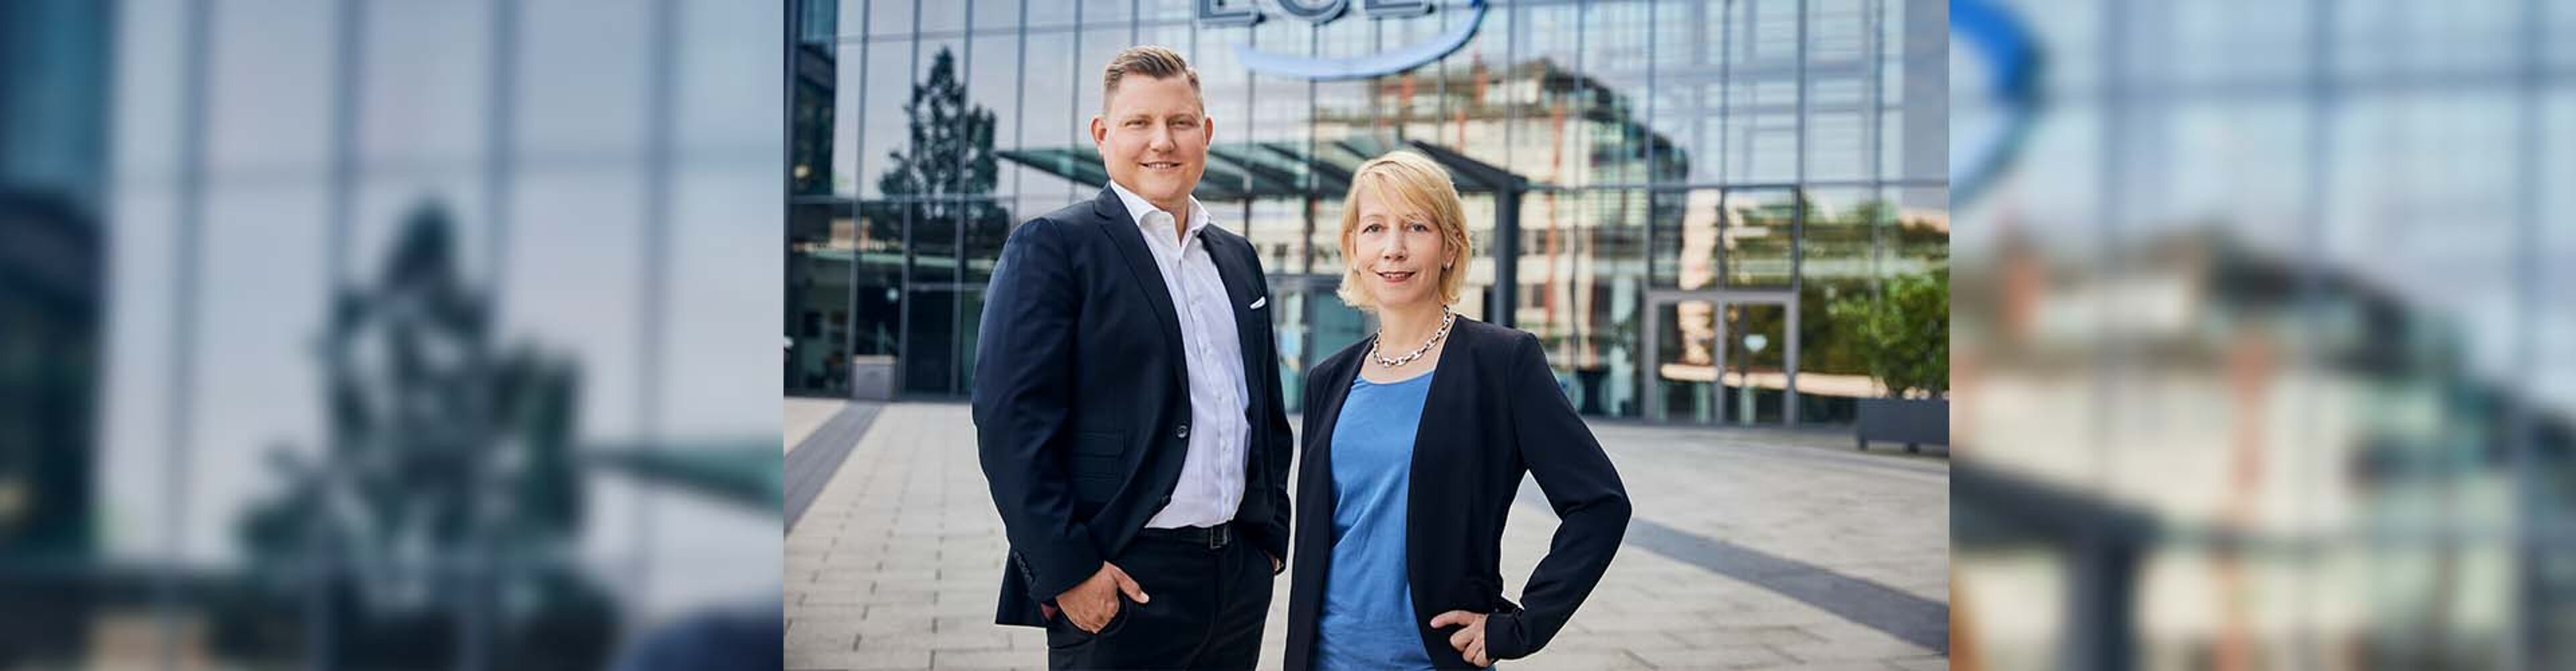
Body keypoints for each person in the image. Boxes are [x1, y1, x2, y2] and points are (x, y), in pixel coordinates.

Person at [971, 45, 1292, 670]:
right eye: (1139, 122)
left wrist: (1269, 537)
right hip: (1120, 582)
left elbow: (1263, 408)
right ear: (1103, 135)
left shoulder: (1237, 257)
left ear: (1206, 133)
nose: (1162, 141)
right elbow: (1011, 426)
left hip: (1236, 583)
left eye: (1180, 122)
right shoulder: (1054, 247)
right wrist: (1070, 573)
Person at [1283, 152, 1631, 670]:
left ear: (1450, 246)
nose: (1394, 248)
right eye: (1375, 228)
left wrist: (1522, 626)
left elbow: (1600, 505)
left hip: (1433, 660)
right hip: (1325, 659)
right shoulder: (1328, 380)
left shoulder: (1502, 362)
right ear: (1354, 248)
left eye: (1416, 227)